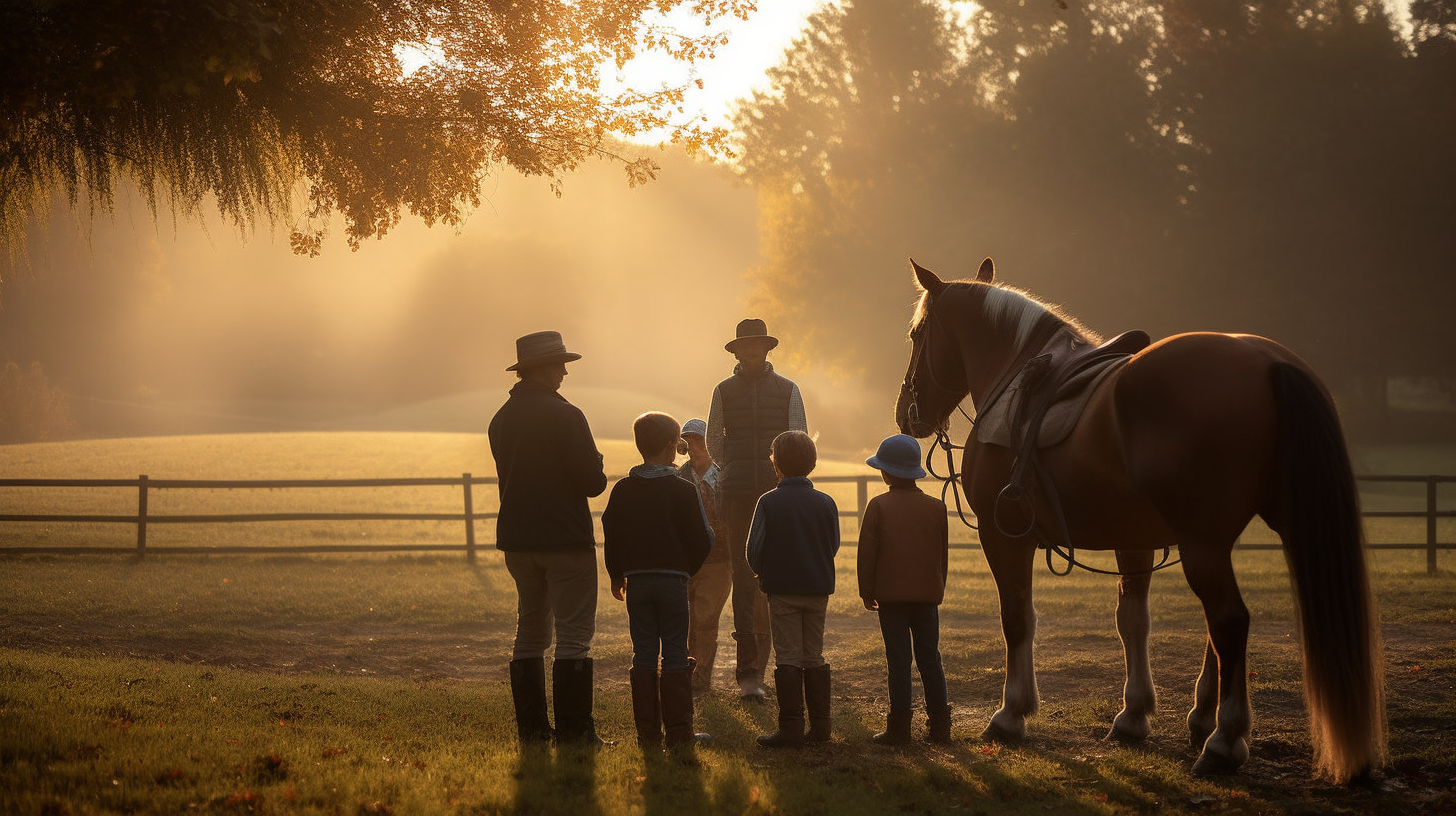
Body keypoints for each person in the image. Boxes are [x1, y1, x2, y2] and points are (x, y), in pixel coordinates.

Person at [488, 330, 609, 747]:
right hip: (565, 539)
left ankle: (534, 732)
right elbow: (593, 483)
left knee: (530, 631)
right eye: (558, 364)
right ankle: (576, 733)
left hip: (518, 540)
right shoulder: (566, 415)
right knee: (574, 635)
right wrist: (596, 462)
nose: (563, 371)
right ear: (540, 369)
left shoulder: (501, 418)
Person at [706, 318, 808, 702]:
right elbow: (715, 438)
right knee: (742, 576)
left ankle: (785, 663)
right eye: (743, 347)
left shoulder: (788, 390)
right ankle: (748, 673)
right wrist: (731, 465)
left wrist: (781, 472)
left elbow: (796, 436)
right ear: (736, 351)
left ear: (766, 349)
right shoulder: (723, 391)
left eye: (755, 346)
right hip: (736, 493)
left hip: (777, 491)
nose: (749, 353)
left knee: (778, 575)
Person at [602, 412, 715, 752]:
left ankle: (648, 735)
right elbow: (703, 537)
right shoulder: (683, 489)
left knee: (644, 652)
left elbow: (612, 533)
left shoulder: (623, 489)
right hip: (673, 581)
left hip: (636, 582)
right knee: (677, 651)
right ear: (670, 447)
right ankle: (680, 732)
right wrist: (687, 568)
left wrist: (615, 573)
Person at [857, 433, 953, 746]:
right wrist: (937, 587)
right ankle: (940, 726)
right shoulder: (936, 507)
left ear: (885, 472)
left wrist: (866, 590)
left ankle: (899, 727)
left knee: (898, 660)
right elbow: (942, 555)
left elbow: (867, 555)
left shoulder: (878, 506)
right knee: (930, 658)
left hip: (891, 599)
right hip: (927, 597)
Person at [746, 430, 839, 747]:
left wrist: (762, 571)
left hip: (782, 590)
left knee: (787, 656)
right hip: (817, 589)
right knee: (813, 654)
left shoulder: (768, 502)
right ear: (812, 463)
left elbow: (753, 549)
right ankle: (822, 727)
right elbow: (833, 544)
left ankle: (791, 728)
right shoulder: (826, 502)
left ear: (776, 464)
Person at [678, 418, 732, 697]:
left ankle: (700, 679)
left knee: (706, 619)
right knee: (684, 620)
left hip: (719, 560)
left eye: (699, 440)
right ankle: (683, 673)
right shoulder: (677, 477)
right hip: (685, 560)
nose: (694, 446)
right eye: (689, 440)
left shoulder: (725, 477)